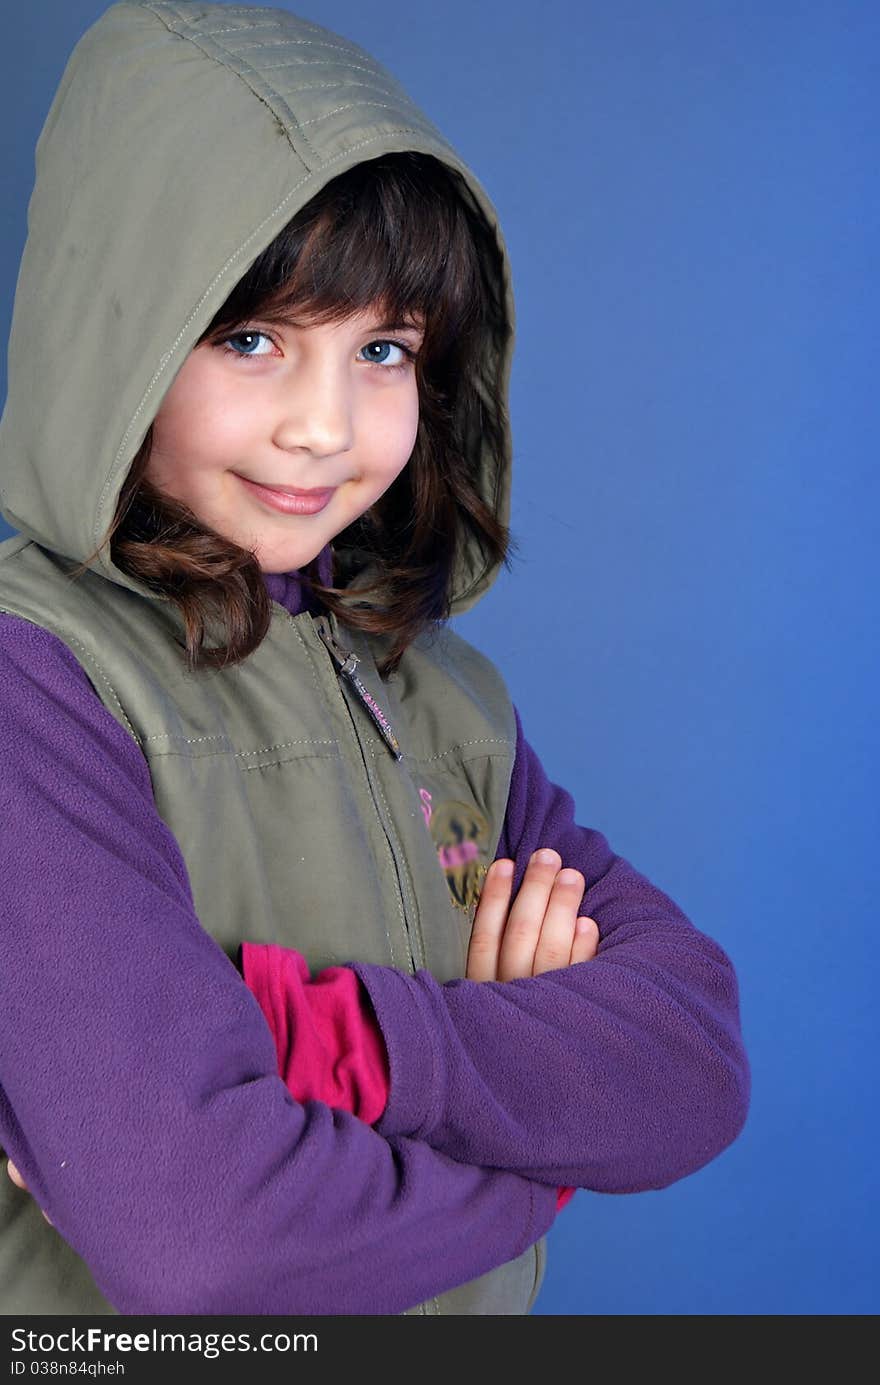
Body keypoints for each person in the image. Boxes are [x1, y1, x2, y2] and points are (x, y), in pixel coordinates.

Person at [0, 1, 750, 1316]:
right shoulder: (34, 685)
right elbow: (204, 1241)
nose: (323, 427)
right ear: (110, 330)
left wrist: (327, 1043)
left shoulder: (443, 697)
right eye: (251, 340)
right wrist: (545, 1153)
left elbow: (692, 1061)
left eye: (385, 349)